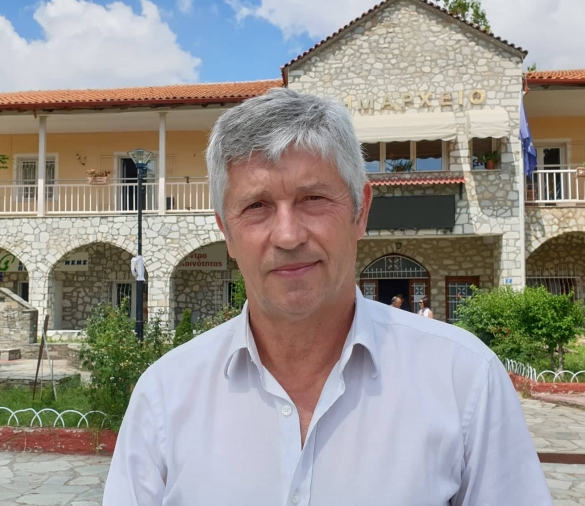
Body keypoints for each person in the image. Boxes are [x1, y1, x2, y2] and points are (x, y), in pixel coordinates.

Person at [104, 88, 551, 505]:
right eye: (257, 206)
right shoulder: (165, 396)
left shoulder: (464, 381)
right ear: (227, 231)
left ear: (361, 211)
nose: (288, 235)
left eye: (313, 198)